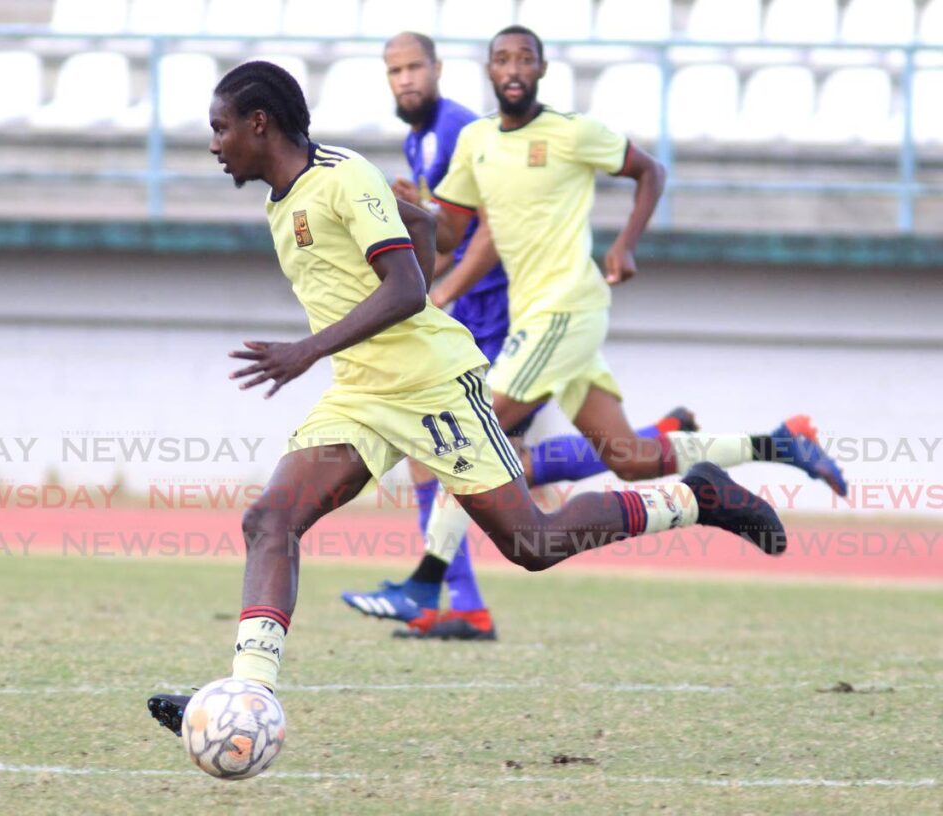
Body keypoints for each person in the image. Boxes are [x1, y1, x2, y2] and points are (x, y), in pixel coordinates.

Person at [146, 59, 787, 739]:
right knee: (270, 521)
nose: (214, 144)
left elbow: (405, 290)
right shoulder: (286, 199)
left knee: (532, 543)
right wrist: (406, 240)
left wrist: (306, 349)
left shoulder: (342, 177)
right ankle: (246, 695)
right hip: (362, 393)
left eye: (220, 129)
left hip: (432, 387)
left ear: (259, 123)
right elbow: (420, 231)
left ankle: (696, 496)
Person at [340, 25, 848, 622]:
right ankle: (774, 445)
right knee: (628, 455)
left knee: (473, 432)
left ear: (541, 69)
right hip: (539, 316)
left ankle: (428, 585)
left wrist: (626, 246)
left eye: (524, 59)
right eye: (502, 58)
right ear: (488, 70)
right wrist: (414, 206)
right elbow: (451, 230)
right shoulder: (476, 141)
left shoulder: (572, 131)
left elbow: (650, 171)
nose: (513, 68)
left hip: (567, 307)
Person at [339, 31, 695, 641]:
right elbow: (446, 226)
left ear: (440, 68)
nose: (405, 80)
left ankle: (445, 594)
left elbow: (488, 232)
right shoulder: (421, 136)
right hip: (480, 313)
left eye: (414, 67)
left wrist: (440, 292)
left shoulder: (458, 130)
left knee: (464, 447)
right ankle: (460, 601)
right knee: (449, 453)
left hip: (498, 312)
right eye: (394, 70)